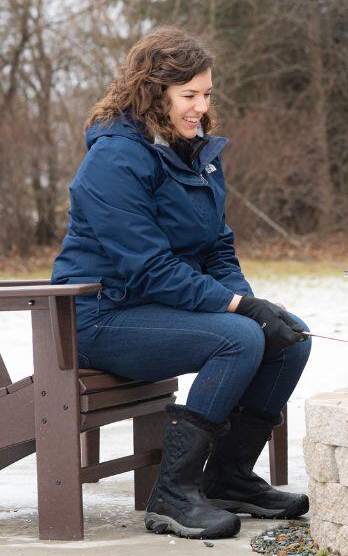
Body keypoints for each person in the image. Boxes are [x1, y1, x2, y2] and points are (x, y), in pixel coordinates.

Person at [51, 27, 310, 539]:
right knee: (237, 338)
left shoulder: (197, 153)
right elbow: (148, 268)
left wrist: (250, 300)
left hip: (159, 309)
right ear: (152, 93)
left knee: (289, 337)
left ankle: (229, 477)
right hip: (102, 315)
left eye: (207, 93)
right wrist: (238, 309)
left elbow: (216, 247)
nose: (200, 106)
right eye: (188, 95)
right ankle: (173, 491)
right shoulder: (113, 161)